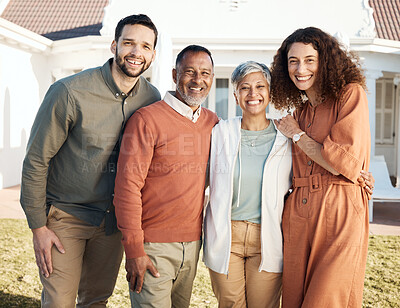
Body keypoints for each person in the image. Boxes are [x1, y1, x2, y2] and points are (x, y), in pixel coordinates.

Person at [20, 14, 161, 307]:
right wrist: (38, 228)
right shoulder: (69, 91)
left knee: (96, 301)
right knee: (59, 302)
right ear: (114, 45)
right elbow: (36, 160)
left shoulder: (151, 98)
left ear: (153, 54)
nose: (137, 53)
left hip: (112, 223)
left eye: (145, 46)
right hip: (66, 218)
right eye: (129, 43)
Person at [271, 27, 371, 307]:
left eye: (309, 60)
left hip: (338, 208)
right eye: (293, 61)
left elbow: (341, 163)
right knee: (294, 299)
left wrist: (297, 135)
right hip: (298, 212)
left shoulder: (350, 95)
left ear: (324, 61)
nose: (300, 68)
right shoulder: (299, 113)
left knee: (327, 299)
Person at [113, 45, 219, 308]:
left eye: (205, 73)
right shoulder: (147, 120)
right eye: (189, 72)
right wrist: (135, 250)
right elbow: (127, 189)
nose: (197, 80)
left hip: (194, 244)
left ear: (212, 79)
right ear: (175, 74)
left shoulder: (212, 122)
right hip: (153, 247)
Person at [203, 61, 292, 308]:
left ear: (270, 92)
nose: (253, 94)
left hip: (268, 237)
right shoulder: (220, 132)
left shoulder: (286, 137)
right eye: (245, 88)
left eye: (260, 86)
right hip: (225, 236)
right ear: (235, 96)